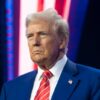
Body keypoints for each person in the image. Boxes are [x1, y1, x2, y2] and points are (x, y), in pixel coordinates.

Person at [0, 8, 100, 100]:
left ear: (62, 41)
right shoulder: (10, 89)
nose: (35, 42)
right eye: (30, 36)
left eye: (42, 34)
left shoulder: (94, 80)